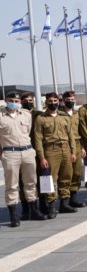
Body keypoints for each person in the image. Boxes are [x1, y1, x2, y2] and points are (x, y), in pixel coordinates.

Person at [34, 92, 77, 218]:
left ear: (59, 101)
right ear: (46, 102)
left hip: (65, 149)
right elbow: (38, 140)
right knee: (51, 179)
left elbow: (71, 136)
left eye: (55, 101)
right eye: (50, 101)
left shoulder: (64, 117)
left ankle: (64, 204)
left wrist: (73, 152)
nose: (53, 103)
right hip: (51, 150)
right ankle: (51, 206)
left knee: (66, 176)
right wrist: (42, 157)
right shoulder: (41, 119)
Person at [0, 92, 38, 227]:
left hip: (27, 151)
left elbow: (27, 132)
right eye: (11, 101)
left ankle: (33, 210)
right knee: (12, 185)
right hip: (11, 153)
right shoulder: (1, 116)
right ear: (6, 100)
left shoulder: (26, 115)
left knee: (31, 182)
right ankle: (14, 215)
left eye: (17, 101)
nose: (14, 103)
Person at [63, 90, 87, 206]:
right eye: (68, 100)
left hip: (77, 144)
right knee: (66, 173)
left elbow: (81, 131)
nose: (70, 101)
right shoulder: (59, 114)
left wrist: (83, 147)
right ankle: (65, 199)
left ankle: (73, 197)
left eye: (72, 99)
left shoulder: (77, 114)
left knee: (77, 172)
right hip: (65, 145)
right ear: (64, 101)